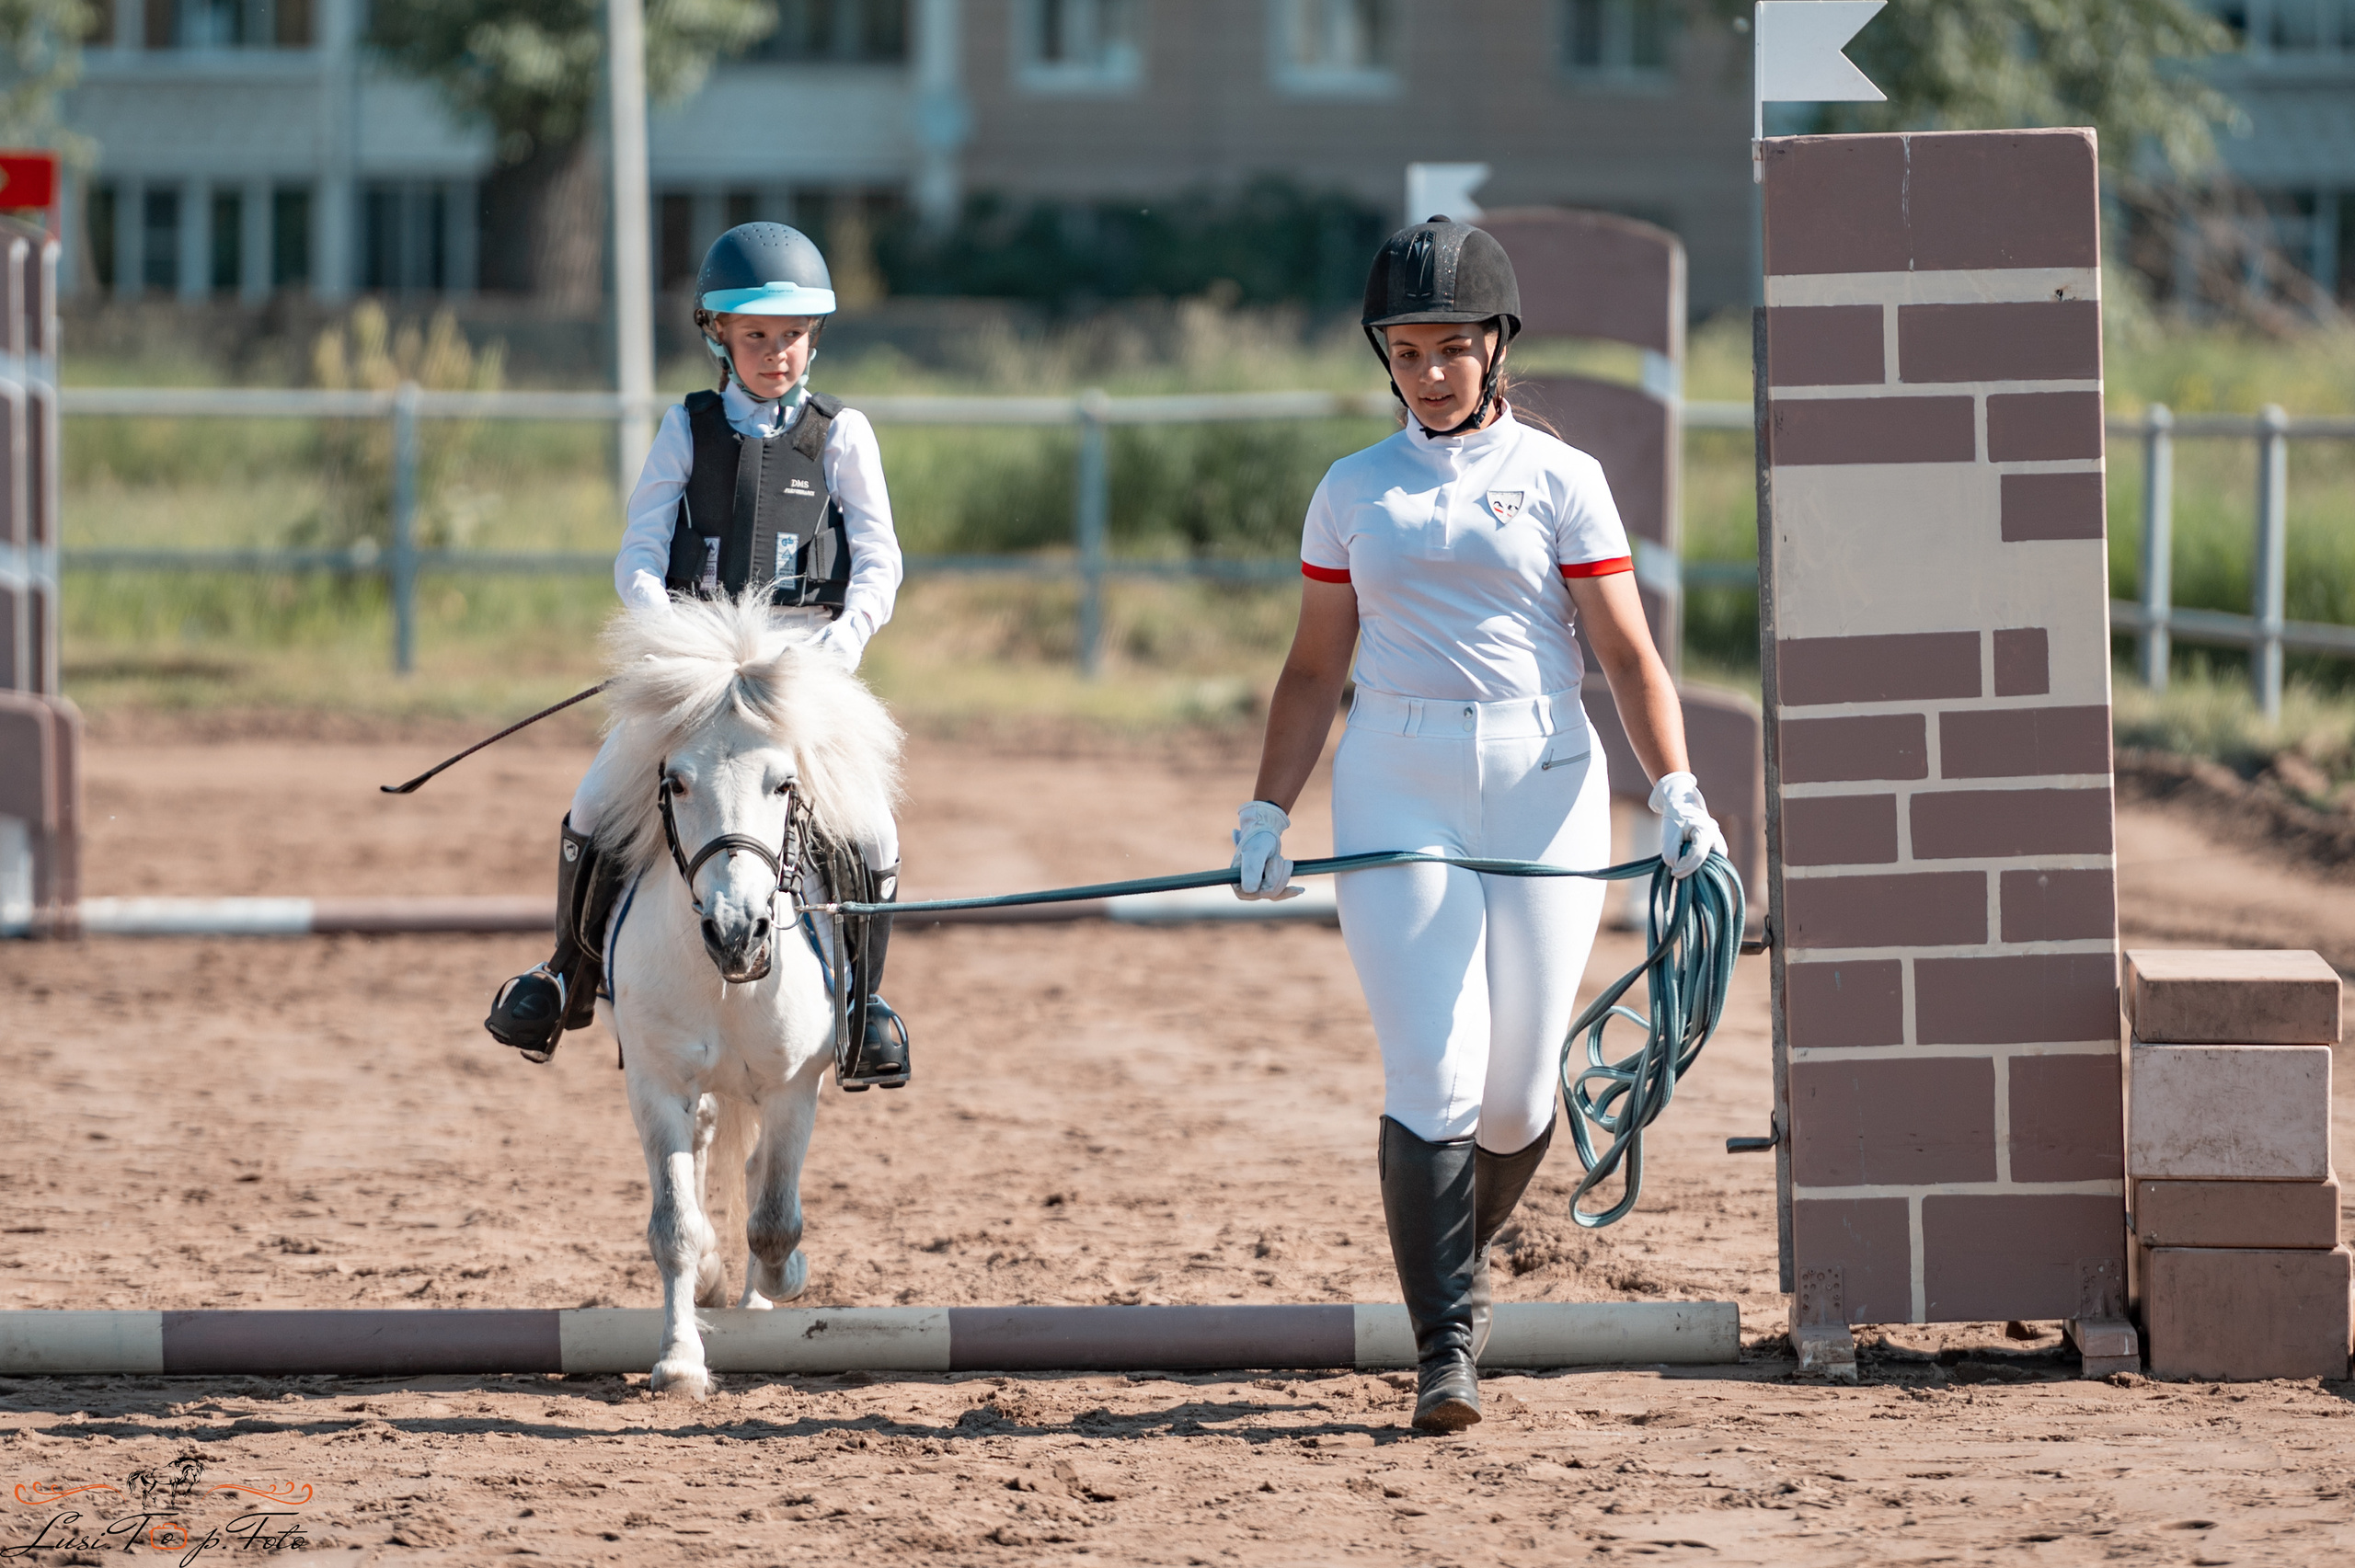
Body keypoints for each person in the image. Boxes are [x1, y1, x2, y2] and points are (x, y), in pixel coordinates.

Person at [1232, 218, 1725, 1432]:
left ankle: (1448, 1260)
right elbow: (1312, 668)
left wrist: (1675, 786)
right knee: (1434, 1071)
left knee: (1514, 1100)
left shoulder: (1563, 480)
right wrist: (1266, 806)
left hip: (1543, 780)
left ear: (1496, 346)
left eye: (1452, 349)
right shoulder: (1353, 490)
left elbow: (1626, 655)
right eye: (1407, 353)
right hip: (1395, 778)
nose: (1431, 374)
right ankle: (1444, 1346)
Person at [484, 222, 913, 1090]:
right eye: (755, 335)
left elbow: (880, 560)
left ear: (814, 338)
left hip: (799, 671)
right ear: (717, 334)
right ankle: (565, 975)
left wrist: (842, 643)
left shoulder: (844, 433)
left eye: (792, 335)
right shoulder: (686, 426)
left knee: (871, 827)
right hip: (695, 663)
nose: (776, 353)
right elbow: (640, 553)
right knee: (595, 801)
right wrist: (667, 638)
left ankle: (862, 1006)